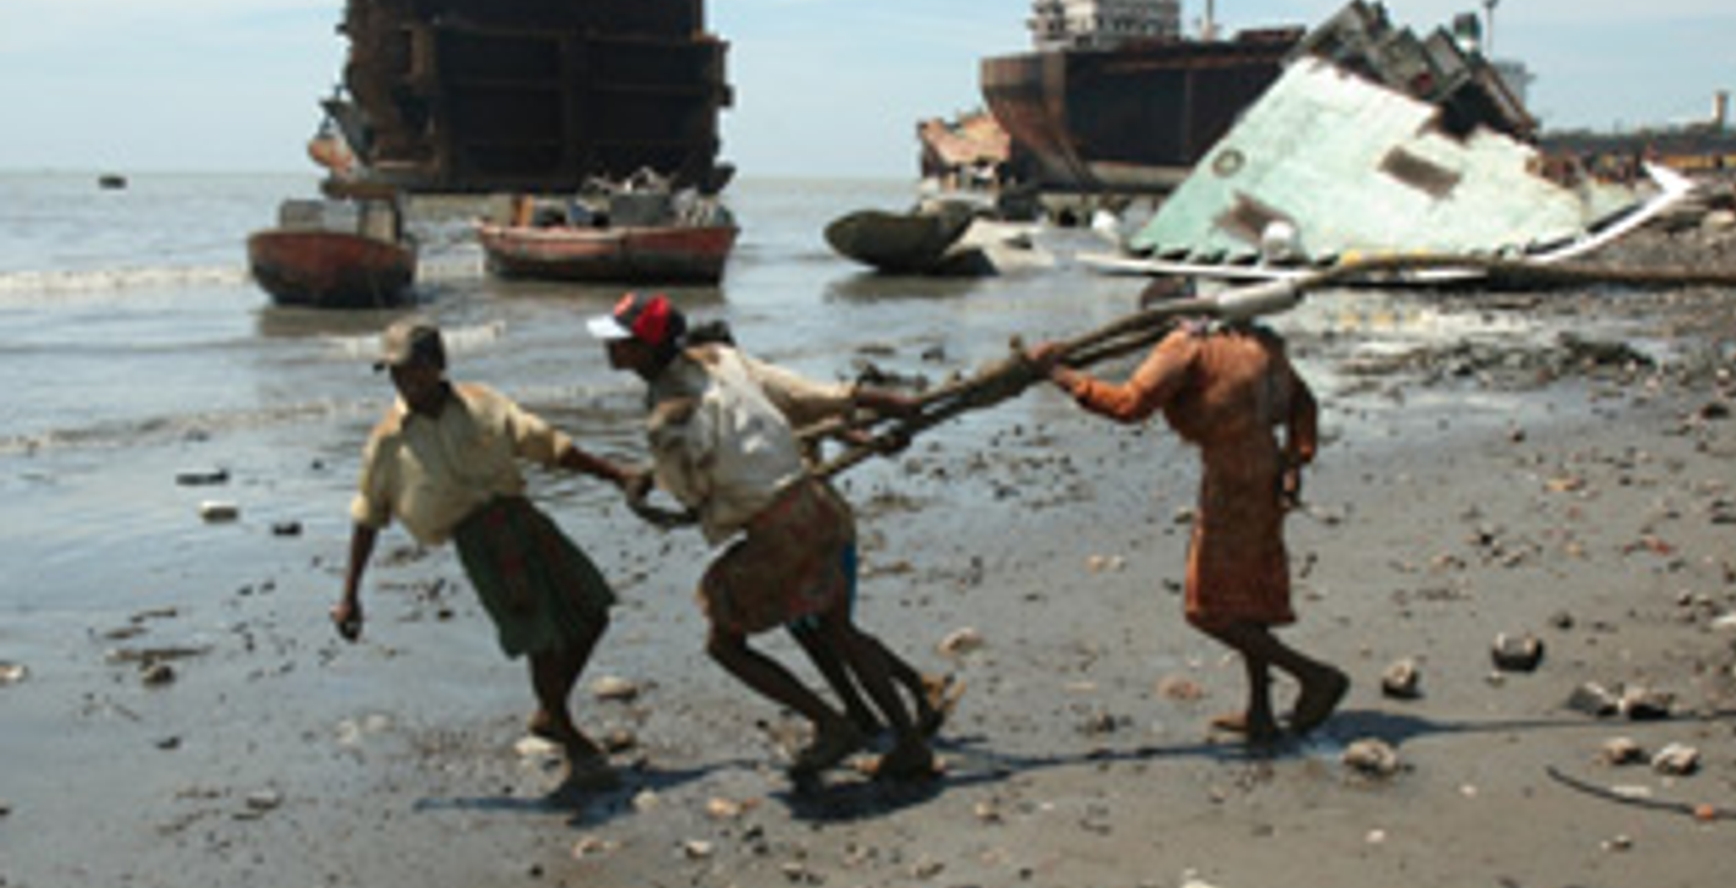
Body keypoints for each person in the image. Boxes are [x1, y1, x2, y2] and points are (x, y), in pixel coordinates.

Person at [590, 292, 940, 780]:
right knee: (838, 630)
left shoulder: (668, 417)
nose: (610, 350)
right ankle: (908, 742)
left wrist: (660, 485)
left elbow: (693, 494)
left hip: (778, 532)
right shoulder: (722, 358)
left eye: (621, 342)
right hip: (816, 506)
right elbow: (799, 395)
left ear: (645, 350)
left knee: (724, 643)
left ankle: (832, 724)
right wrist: (882, 402)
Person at [1026, 277, 1349, 743]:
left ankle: (1315, 676)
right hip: (1267, 472)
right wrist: (1296, 462)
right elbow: (1304, 402)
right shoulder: (1254, 338)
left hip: (1232, 482)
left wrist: (1059, 376)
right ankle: (1260, 712)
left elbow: (1128, 405)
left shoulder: (1184, 346)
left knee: (1207, 610)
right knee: (1248, 599)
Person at [332, 318, 637, 784]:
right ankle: (568, 735)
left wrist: (616, 474)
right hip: (479, 542)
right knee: (540, 641)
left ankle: (549, 712)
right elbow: (367, 516)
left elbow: (547, 445)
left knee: (592, 610)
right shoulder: (389, 441)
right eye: (394, 374)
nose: (404, 383)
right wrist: (349, 594)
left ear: (438, 366)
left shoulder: (481, 404)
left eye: (412, 371)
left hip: (523, 519)